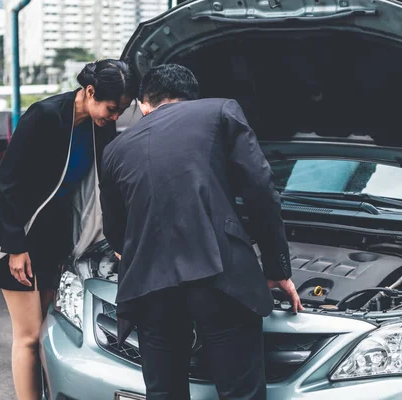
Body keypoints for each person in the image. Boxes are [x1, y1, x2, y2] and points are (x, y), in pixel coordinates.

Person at [99, 64, 304, 399]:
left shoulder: (116, 149)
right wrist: (277, 268)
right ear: (192, 96)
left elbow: (116, 232)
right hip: (219, 276)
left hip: (150, 290)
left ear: (143, 104)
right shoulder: (221, 110)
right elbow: (261, 190)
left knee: (164, 394)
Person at [0, 59, 139, 400]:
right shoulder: (45, 116)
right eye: (111, 108)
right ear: (90, 92)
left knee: (48, 329)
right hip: (15, 233)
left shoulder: (99, 126)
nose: (115, 117)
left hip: (53, 236)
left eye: (121, 111)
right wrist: (15, 248)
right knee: (29, 334)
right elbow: (8, 184)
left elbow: (106, 186)